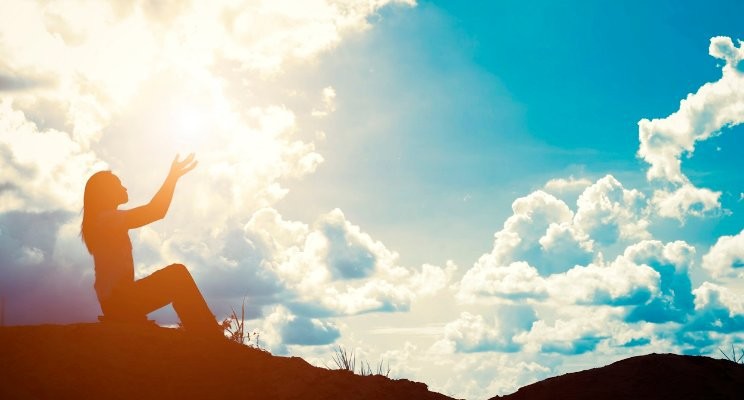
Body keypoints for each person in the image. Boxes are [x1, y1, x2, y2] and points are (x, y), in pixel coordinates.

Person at [81, 154, 221, 339]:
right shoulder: (107, 220)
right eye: (118, 184)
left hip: (119, 301)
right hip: (120, 301)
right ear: (106, 193)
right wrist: (172, 177)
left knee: (176, 275)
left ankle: (207, 336)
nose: (124, 187)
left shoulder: (105, 220)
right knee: (177, 275)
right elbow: (155, 211)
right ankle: (209, 337)